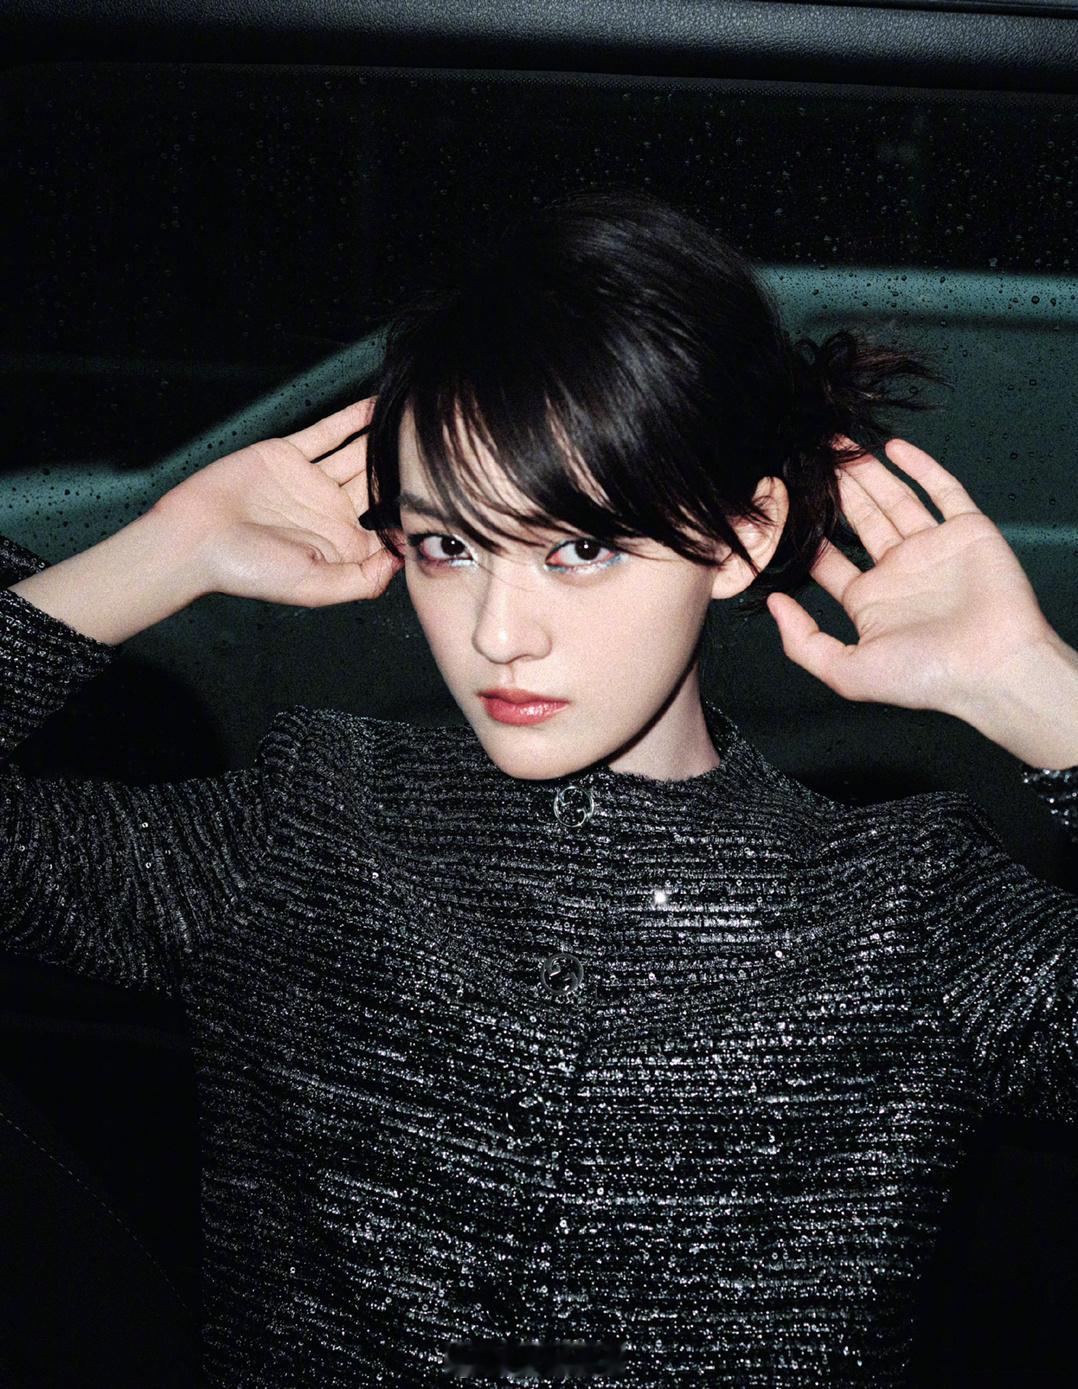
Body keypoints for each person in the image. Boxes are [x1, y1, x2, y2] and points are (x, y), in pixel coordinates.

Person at [1, 185, 1075, 1387]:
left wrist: (1036, 690)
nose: (497, 633)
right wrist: (163, 551)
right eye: (447, 546)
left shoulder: (907, 911)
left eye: (580, 548)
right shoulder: (301, 829)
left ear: (739, 536)